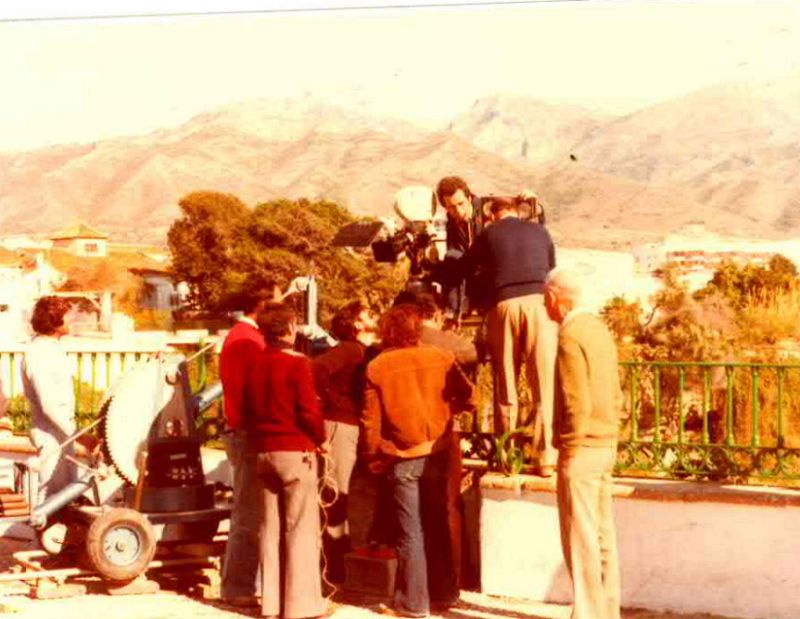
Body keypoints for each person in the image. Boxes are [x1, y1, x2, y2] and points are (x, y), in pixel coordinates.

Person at [363, 305, 475, 617]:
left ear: (388, 331)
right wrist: (447, 414)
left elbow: (370, 422)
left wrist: (372, 456)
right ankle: (445, 594)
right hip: (437, 452)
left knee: (409, 531)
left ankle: (415, 602)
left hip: (402, 456)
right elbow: (470, 396)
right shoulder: (440, 357)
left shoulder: (378, 366)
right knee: (437, 523)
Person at [544, 269, 622, 619]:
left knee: (581, 537)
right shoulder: (598, 329)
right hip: (606, 442)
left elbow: (576, 400)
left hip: (584, 447)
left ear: (554, 298)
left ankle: (588, 614)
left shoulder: (570, 335)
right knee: (603, 535)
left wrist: (570, 445)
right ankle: (607, 610)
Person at [462, 196, 558, 476]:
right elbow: (550, 265)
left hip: (503, 306)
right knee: (543, 384)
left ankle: (508, 457)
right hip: (539, 305)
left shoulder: (488, 233)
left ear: (493, 215)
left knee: (507, 382)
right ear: (517, 211)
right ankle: (546, 459)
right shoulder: (540, 231)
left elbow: (468, 267)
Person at [246, 303, 327, 619]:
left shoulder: (254, 364)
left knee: (270, 528)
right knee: (301, 528)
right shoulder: (299, 364)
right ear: (290, 327)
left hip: (263, 450)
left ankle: (271, 604)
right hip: (295, 450)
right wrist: (322, 440)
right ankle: (300, 606)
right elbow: (309, 410)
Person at [219, 285, 277, 606]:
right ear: (263, 305)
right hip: (247, 432)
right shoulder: (246, 340)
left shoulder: (243, 336)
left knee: (251, 511)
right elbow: (251, 391)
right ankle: (238, 587)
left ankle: (244, 583)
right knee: (249, 513)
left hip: (242, 430)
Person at [312, 301, 376, 581]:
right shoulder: (350, 349)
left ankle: (336, 563)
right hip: (340, 425)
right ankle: (332, 568)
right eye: (368, 315)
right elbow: (315, 370)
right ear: (356, 324)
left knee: (341, 493)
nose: (374, 317)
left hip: (346, 424)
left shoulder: (360, 351)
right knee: (336, 495)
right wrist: (333, 402)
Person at [22, 296, 93, 505]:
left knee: (66, 499)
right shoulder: (39, 353)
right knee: (51, 502)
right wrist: (80, 436)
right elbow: (49, 406)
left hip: (62, 434)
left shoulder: (52, 348)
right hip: (50, 435)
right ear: (54, 321)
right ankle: (43, 537)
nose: (72, 322)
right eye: (67, 318)